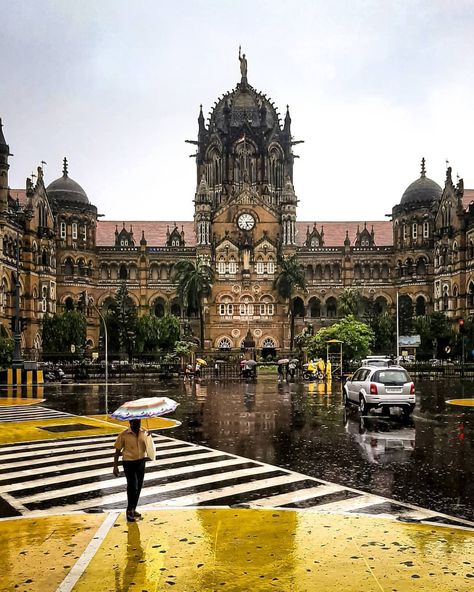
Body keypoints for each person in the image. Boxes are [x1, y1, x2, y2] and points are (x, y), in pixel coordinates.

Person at [113, 419, 149, 522]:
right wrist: (115, 466)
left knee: (139, 486)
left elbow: (148, 446)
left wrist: (149, 437)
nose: (138, 425)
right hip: (128, 463)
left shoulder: (144, 432)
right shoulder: (124, 434)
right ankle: (129, 510)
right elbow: (117, 451)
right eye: (136, 423)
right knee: (133, 486)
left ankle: (133, 508)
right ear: (130, 423)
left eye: (139, 423)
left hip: (141, 462)